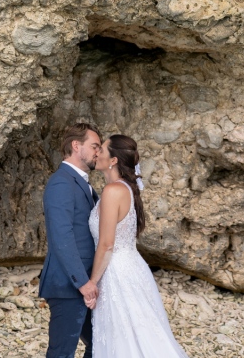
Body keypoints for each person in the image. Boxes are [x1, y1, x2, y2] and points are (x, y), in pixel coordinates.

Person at [87, 134, 189, 358]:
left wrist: (92, 283)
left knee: (129, 339)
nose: (96, 153)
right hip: (130, 267)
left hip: (117, 273)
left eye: (101, 150)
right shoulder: (124, 188)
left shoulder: (113, 191)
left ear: (113, 160)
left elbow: (106, 244)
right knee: (138, 334)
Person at [39, 123, 103, 358]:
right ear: (76, 146)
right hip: (69, 286)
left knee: (100, 345)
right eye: (94, 146)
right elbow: (61, 236)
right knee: (61, 353)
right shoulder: (61, 183)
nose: (98, 152)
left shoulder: (81, 183)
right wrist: (82, 282)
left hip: (84, 284)